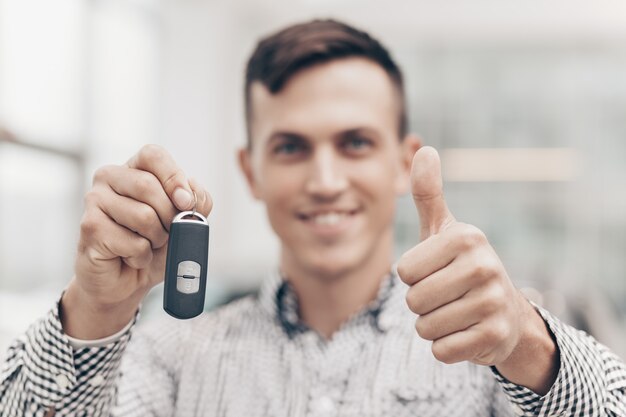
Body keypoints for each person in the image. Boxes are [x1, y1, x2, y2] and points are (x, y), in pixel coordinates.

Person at [1, 19, 625, 417]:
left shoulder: (486, 352)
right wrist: (93, 311)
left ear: (402, 162)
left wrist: (528, 344)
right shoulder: (168, 356)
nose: (326, 182)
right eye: (292, 147)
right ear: (251, 172)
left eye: (355, 142)